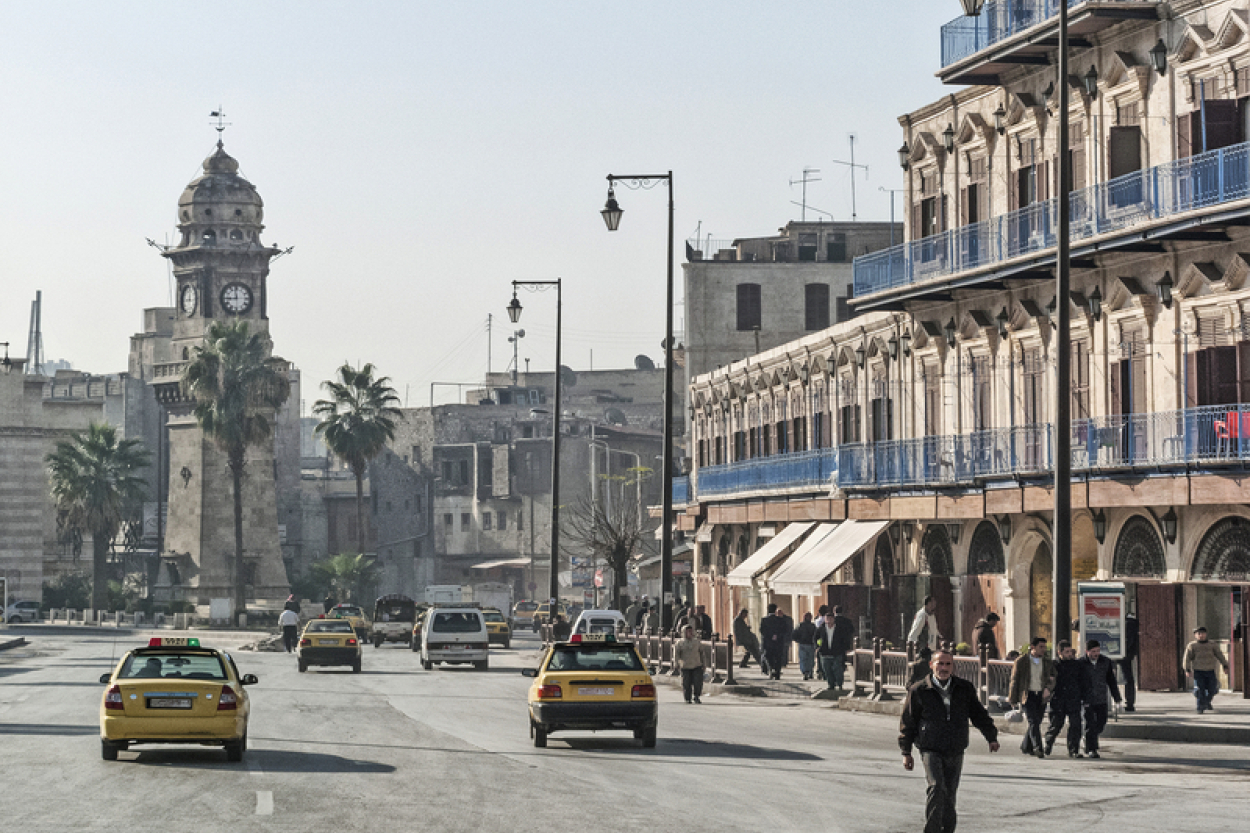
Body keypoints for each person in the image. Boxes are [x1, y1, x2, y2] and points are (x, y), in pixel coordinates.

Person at [899, 649, 1000, 833]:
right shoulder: (919, 690)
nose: (943, 668)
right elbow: (908, 721)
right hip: (930, 748)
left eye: (948, 664)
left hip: (955, 747)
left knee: (949, 794)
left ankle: (948, 830)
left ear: (953, 667)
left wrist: (991, 736)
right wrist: (906, 752)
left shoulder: (964, 688)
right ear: (931, 665)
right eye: (940, 663)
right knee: (936, 787)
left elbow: (978, 714)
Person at [1008, 637, 1054, 758]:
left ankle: (1025, 745)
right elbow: (1014, 680)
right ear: (1032, 647)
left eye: (1044, 647)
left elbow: (1053, 678)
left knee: (1037, 722)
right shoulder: (1022, 661)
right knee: (1032, 721)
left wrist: (1048, 688)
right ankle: (1037, 747)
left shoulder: (1047, 662)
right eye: (1041, 647)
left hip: (1041, 696)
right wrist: (1012, 698)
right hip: (1027, 695)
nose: (1043, 650)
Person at [1078, 639, 1121, 759]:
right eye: (1093, 651)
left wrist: (1117, 698)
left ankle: (1088, 738)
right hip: (1087, 699)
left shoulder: (1105, 662)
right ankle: (1092, 749)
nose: (1096, 654)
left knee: (1101, 722)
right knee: (1090, 723)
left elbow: (1111, 681)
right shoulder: (1081, 663)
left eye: (1097, 651)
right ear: (1087, 651)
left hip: (1101, 698)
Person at [1044, 641, 1086, 758]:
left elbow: (1082, 681)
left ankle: (1073, 750)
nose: (1069, 654)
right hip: (1058, 699)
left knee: (1075, 725)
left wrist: (1082, 695)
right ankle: (1048, 743)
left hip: (1073, 699)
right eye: (1066, 652)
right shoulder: (1054, 665)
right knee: (1056, 724)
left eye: (1070, 651)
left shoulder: (1076, 665)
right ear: (1059, 652)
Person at [1183, 626, 1229, 714]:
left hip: (1210, 670)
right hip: (1198, 671)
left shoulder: (1212, 645)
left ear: (1206, 634)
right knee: (1200, 689)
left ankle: (1207, 702)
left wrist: (1225, 665)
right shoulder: (1192, 645)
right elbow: (1187, 658)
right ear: (1195, 635)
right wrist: (1187, 669)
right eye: (1199, 634)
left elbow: (1219, 655)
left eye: (1203, 633)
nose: (1201, 635)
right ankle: (1200, 707)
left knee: (1213, 689)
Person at [816, 606, 855, 689]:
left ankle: (840, 684)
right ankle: (831, 684)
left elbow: (845, 638)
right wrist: (817, 647)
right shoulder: (822, 628)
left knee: (838, 669)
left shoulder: (839, 628)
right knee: (827, 670)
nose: (829, 620)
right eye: (827, 619)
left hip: (837, 651)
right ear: (825, 619)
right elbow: (815, 637)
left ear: (834, 619)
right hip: (825, 652)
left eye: (831, 618)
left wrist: (847, 648)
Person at [675, 625, 705, 704]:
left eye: (691, 631)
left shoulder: (697, 642)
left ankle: (696, 696)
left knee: (698, 682)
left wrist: (704, 664)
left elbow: (702, 653)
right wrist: (677, 664)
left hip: (696, 664)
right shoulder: (680, 643)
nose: (690, 633)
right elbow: (677, 655)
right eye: (688, 631)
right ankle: (687, 698)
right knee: (686, 683)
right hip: (685, 666)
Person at [759, 604, 789, 679]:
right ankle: (777, 672)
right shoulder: (780, 620)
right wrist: (777, 635)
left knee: (768, 656)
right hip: (778, 642)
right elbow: (785, 630)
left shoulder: (764, 620)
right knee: (778, 657)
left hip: (768, 642)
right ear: (775, 610)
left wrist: (770, 636)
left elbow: (762, 631)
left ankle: (771, 668)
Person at [1119, 613, 1139, 712]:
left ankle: (1127, 702)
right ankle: (1130, 703)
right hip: (1127, 655)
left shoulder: (1127, 624)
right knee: (1128, 678)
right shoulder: (1133, 623)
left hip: (1120, 652)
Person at [793, 612, 817, 680]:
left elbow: (794, 634)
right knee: (810, 659)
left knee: (803, 659)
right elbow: (817, 636)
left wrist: (798, 640)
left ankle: (805, 672)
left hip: (802, 644)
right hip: (811, 644)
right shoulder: (813, 626)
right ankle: (810, 671)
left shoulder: (800, 625)